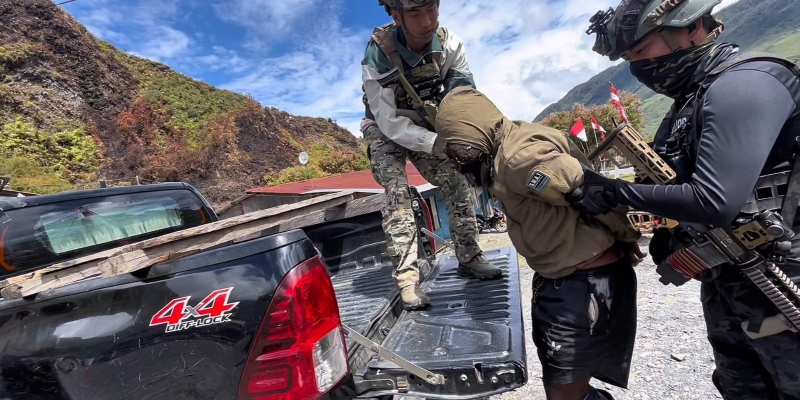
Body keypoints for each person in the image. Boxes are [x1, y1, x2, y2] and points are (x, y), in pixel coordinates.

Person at [575, 0, 800, 398]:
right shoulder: (689, 102)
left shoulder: (745, 84)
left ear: (692, 28)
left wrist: (613, 191)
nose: (638, 67)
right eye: (629, 58)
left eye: (642, 52)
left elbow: (713, 200)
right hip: (730, 279)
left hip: (783, 279)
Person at [433, 85, 647, 400]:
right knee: (569, 386)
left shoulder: (520, 159)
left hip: (583, 283)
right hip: (568, 278)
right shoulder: (505, 145)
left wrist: (627, 239)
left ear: (473, 129)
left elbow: (594, 194)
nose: (455, 157)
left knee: (564, 394)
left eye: (456, 145)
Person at [359, 0, 501, 311]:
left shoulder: (450, 44)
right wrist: (436, 143)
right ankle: (408, 281)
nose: (426, 21)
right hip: (385, 129)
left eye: (432, 9)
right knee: (397, 192)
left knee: (456, 181)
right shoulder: (377, 56)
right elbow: (390, 122)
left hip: (425, 122)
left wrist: (469, 141)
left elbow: (463, 99)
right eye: (415, 13)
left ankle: (469, 257)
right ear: (397, 16)